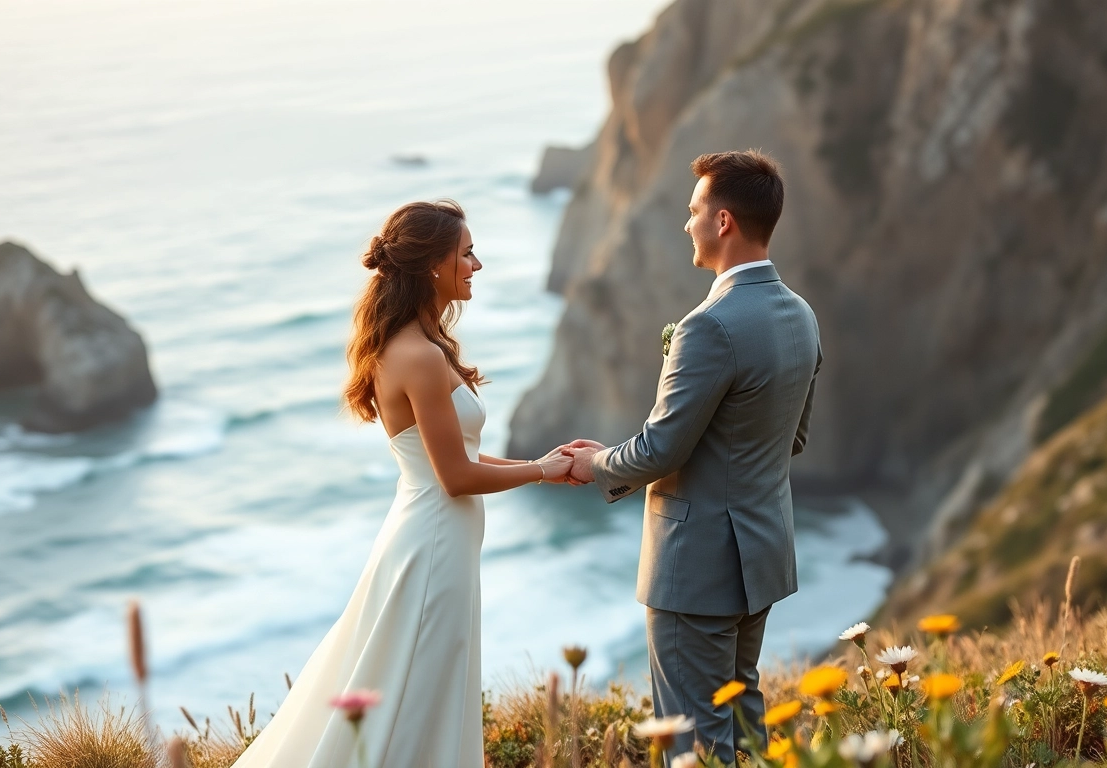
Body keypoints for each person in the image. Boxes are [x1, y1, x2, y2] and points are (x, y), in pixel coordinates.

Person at [229, 199, 574, 768]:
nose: (476, 265)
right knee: (418, 687)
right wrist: (542, 471)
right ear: (433, 264)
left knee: (414, 680)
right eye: (466, 254)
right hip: (433, 544)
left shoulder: (417, 346)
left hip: (432, 535)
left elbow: (456, 454)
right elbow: (457, 477)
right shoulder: (418, 356)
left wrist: (541, 463)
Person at [565, 150, 822, 764]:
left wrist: (595, 463)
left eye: (694, 211)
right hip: (760, 554)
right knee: (742, 717)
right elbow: (794, 439)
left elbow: (659, 449)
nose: (687, 224)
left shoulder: (709, 326)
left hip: (696, 565)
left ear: (724, 221)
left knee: (693, 738)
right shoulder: (802, 316)